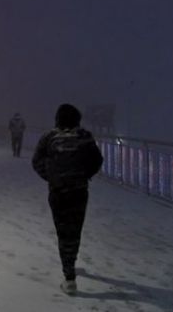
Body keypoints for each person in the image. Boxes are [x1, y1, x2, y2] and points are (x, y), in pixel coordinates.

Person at [31, 103, 103, 296]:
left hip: (58, 191)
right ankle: (72, 261)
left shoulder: (49, 137)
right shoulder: (85, 137)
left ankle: (69, 277)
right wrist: (83, 175)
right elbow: (97, 161)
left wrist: (52, 177)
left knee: (63, 231)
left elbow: (36, 161)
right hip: (79, 191)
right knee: (75, 229)